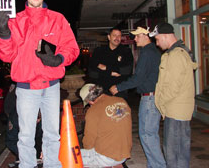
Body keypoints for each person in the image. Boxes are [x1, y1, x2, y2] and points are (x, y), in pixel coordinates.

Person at [0, 0, 80, 168]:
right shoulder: (15, 21)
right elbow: (7, 55)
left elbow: (72, 47)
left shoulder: (58, 19)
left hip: (51, 86)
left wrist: (59, 59)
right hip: (26, 88)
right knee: (25, 135)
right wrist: (3, 32)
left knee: (52, 134)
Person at [109, 26, 166, 168]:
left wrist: (118, 87)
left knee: (147, 135)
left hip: (149, 98)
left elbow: (138, 78)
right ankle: (155, 164)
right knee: (150, 134)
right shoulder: (152, 51)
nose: (134, 39)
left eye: (137, 36)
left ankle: (158, 165)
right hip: (153, 97)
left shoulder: (147, 53)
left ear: (145, 36)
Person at [149, 23, 198, 168]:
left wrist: (161, 104)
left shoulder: (176, 55)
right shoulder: (179, 52)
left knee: (174, 154)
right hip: (177, 110)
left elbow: (172, 87)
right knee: (179, 152)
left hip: (175, 111)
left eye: (157, 39)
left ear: (165, 36)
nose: (157, 43)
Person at [79, 83, 132, 167]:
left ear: (89, 101)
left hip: (106, 158)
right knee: (78, 153)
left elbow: (89, 141)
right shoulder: (121, 101)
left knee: (68, 158)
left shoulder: (93, 110)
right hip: (124, 154)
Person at [87, 27, 133, 99]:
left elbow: (126, 70)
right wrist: (112, 72)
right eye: (114, 35)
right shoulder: (99, 51)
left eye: (119, 36)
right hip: (101, 92)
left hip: (119, 91)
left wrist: (105, 68)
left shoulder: (126, 51)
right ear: (109, 37)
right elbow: (92, 73)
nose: (117, 38)